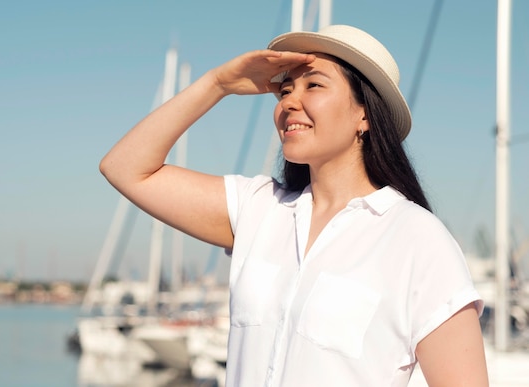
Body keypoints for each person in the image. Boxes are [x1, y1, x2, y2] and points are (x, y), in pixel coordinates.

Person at [100, 24, 489, 386]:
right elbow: (125, 168)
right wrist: (217, 84)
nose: (290, 102)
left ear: (365, 114)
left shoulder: (417, 240)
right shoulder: (259, 209)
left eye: (313, 86)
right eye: (285, 90)